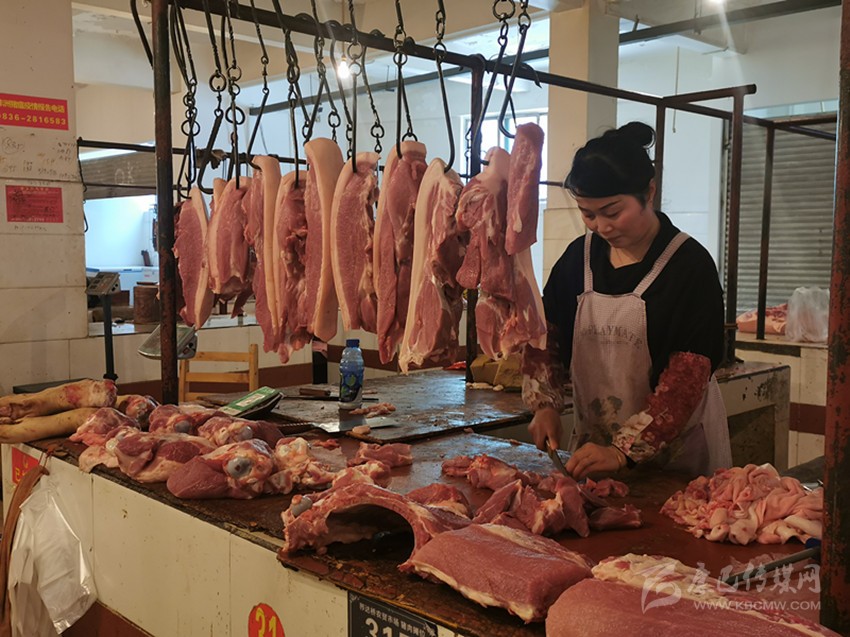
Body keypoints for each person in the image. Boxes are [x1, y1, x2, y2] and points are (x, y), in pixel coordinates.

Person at [526, 121, 732, 480]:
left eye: (612, 212)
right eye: (588, 214)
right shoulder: (578, 258)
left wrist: (624, 450)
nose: (601, 227)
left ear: (648, 192)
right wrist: (544, 404)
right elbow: (546, 334)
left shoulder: (688, 265)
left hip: (677, 459)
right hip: (595, 449)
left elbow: (687, 378)